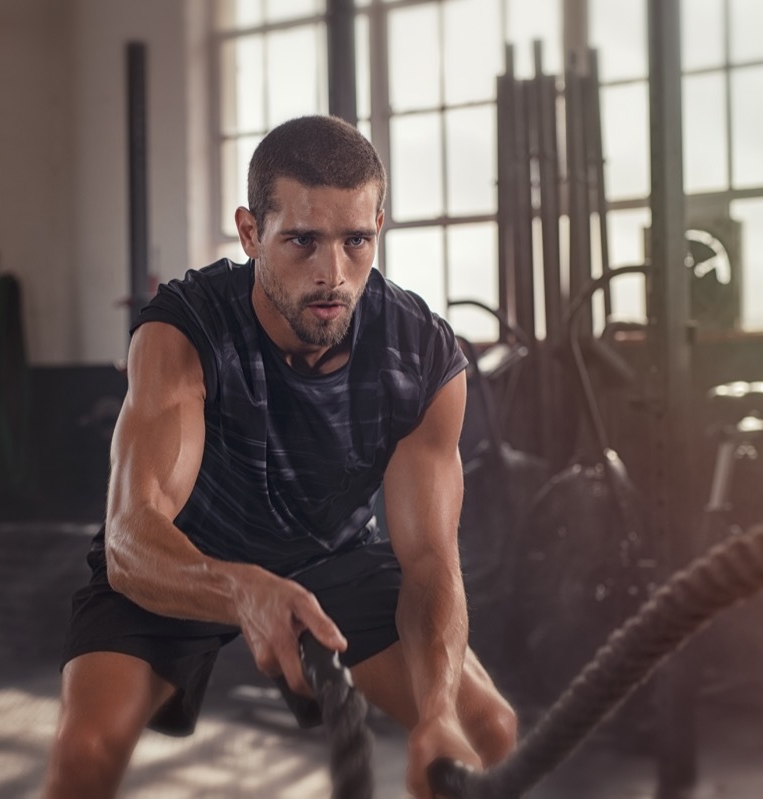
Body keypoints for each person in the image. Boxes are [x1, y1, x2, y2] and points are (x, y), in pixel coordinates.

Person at [43, 115, 516, 799]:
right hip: (186, 553)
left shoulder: (423, 356)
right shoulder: (186, 330)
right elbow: (128, 537)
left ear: (378, 226)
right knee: (85, 751)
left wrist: (437, 714)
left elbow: (431, 562)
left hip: (330, 555)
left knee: (483, 734)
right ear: (249, 232)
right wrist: (242, 589)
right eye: (302, 240)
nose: (333, 274)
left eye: (357, 241)